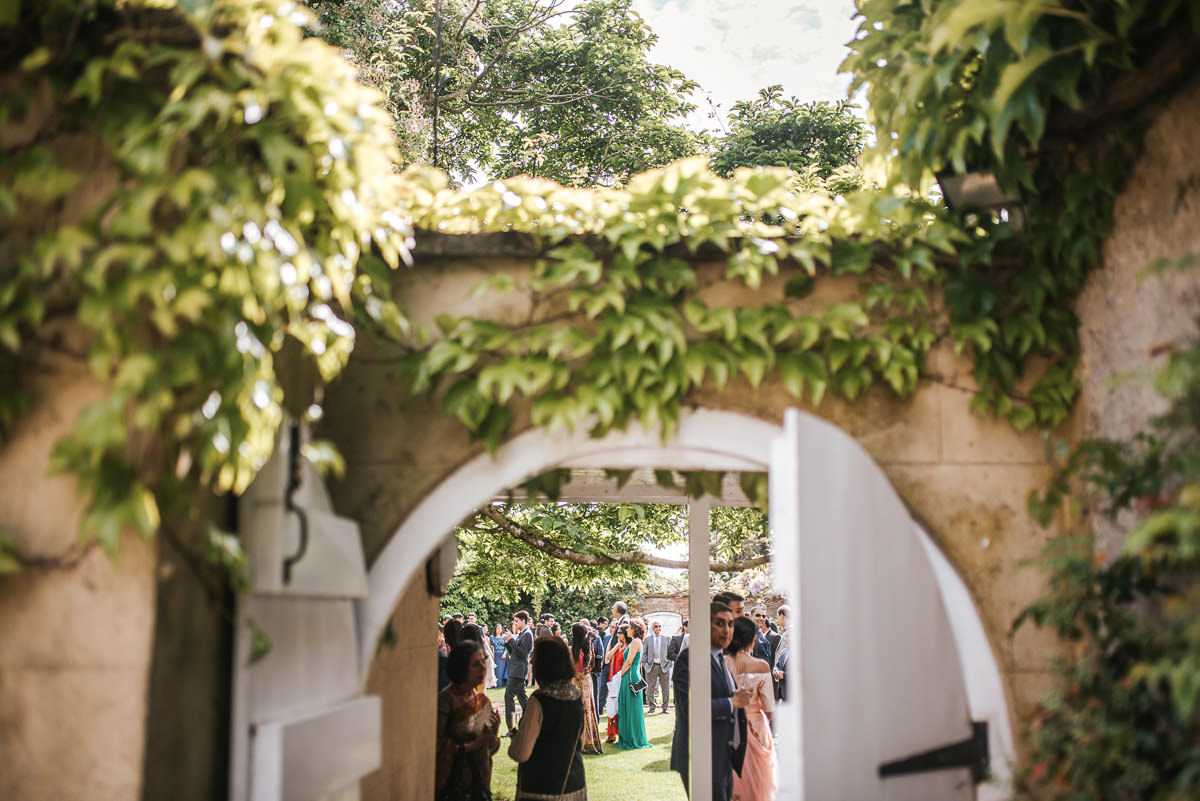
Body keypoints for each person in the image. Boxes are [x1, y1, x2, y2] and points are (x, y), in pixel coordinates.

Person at [670, 602, 751, 801]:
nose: (727, 630)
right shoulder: (690, 658)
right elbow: (693, 709)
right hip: (702, 757)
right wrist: (733, 703)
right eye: (719, 623)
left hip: (723, 754)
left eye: (731, 624)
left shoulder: (718, 658)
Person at [508, 637, 588, 801]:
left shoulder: (539, 701)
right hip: (574, 783)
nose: (531, 662)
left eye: (535, 657)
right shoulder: (576, 696)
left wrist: (514, 737)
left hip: (541, 787)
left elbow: (521, 753)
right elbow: (581, 741)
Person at [436, 642, 501, 801]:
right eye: (475, 664)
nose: (483, 667)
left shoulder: (482, 701)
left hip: (480, 786)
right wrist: (472, 746)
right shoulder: (446, 701)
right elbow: (436, 747)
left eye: (483, 661)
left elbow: (490, 749)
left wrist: (493, 733)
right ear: (461, 667)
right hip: (454, 788)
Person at [725, 617, 777, 801]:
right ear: (752, 639)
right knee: (758, 783)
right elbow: (770, 706)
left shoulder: (720, 664)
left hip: (727, 724)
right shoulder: (761, 665)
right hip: (755, 726)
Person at [570, 622, 604, 755]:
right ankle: (589, 741)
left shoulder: (574, 650)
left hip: (576, 682)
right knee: (587, 710)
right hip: (587, 681)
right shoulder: (588, 647)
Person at [617, 620, 651, 749]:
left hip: (630, 676)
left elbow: (629, 661)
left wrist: (621, 675)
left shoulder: (635, 642)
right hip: (633, 674)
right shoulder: (636, 642)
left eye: (629, 627)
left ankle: (632, 738)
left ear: (635, 629)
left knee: (630, 707)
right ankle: (630, 736)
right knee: (630, 707)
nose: (627, 629)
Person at [504, 610, 535, 737]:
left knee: (508, 696)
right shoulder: (522, 633)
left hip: (519, 671)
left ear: (523, 621)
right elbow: (515, 652)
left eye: (517, 621)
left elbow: (522, 654)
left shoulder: (527, 634)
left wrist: (511, 640)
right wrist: (508, 642)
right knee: (522, 698)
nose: (515, 623)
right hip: (515, 670)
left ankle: (511, 729)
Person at [603, 626, 627, 744]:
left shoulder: (629, 647)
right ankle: (611, 734)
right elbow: (607, 658)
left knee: (621, 706)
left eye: (620, 633)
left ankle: (621, 734)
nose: (617, 635)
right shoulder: (618, 646)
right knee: (612, 704)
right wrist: (617, 646)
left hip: (622, 680)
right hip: (613, 679)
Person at [643, 620, 671, 713]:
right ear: (652, 628)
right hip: (652, 666)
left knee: (665, 688)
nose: (658, 628)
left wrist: (669, 663)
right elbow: (644, 654)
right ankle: (652, 707)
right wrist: (646, 665)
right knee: (650, 688)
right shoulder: (647, 639)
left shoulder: (667, 638)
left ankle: (665, 707)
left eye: (659, 626)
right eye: (656, 626)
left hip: (664, 666)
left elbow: (671, 653)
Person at [772, 606, 790, 702]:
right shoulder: (785, 651)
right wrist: (775, 670)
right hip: (782, 691)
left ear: (782, 616)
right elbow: (778, 663)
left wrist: (784, 675)